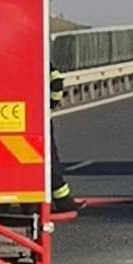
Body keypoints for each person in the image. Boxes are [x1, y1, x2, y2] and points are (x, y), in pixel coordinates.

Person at [49, 65, 77, 213]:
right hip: (35, 115)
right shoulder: (39, 57)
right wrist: (49, 105)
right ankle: (62, 201)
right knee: (48, 158)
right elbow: (57, 82)